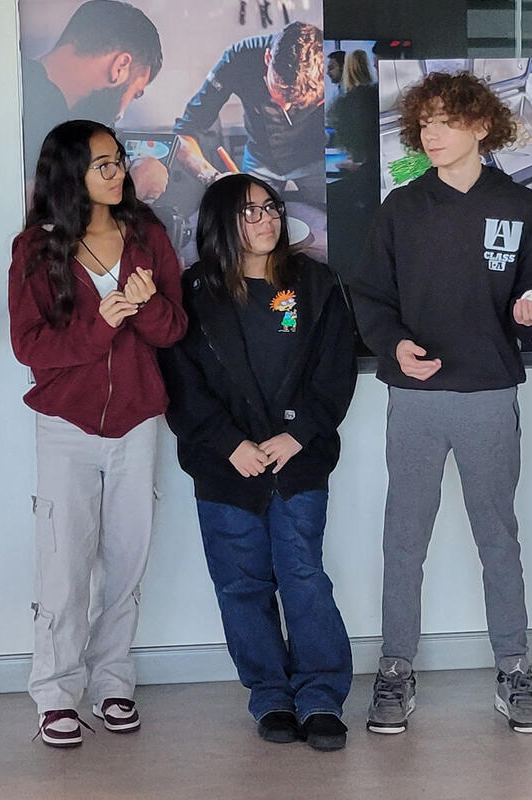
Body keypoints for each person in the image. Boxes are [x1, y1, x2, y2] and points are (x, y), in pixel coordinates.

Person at [348, 70, 532, 736]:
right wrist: (394, 346)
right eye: (424, 123)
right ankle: (394, 668)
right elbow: (369, 298)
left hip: (490, 393)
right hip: (415, 398)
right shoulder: (400, 209)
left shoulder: (519, 205)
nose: (432, 133)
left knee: (499, 538)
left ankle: (515, 668)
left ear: (481, 126)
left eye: (446, 120)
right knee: (403, 539)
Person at [159, 175, 357, 750]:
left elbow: (335, 369)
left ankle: (320, 696)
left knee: (303, 577)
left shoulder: (314, 284)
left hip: (299, 462)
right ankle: (270, 696)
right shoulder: (193, 292)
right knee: (241, 583)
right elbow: (182, 383)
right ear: (222, 222)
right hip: (225, 466)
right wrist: (229, 444)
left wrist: (297, 434)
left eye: (271, 208)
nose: (266, 220)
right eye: (249, 213)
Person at [8, 119, 187, 747]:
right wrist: (104, 323)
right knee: (63, 564)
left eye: (118, 163)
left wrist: (145, 307)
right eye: (103, 165)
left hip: (139, 421)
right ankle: (56, 693)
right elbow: (29, 346)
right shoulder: (35, 247)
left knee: (127, 560)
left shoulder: (148, 234)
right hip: (65, 424)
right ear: (70, 174)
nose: (118, 174)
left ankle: (114, 684)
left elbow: (174, 330)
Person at [21, 0, 167, 200]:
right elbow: (32, 208)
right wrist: (132, 190)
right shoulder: (40, 113)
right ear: (120, 66)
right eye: (136, 93)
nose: (121, 113)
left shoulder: (20, 84)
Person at [172, 22, 326, 204]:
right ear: (268, 58)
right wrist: (211, 177)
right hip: (260, 159)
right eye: (277, 92)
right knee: (247, 218)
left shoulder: (329, 66)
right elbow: (185, 132)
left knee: (327, 219)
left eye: (297, 102)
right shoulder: (239, 58)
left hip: (315, 159)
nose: (284, 108)